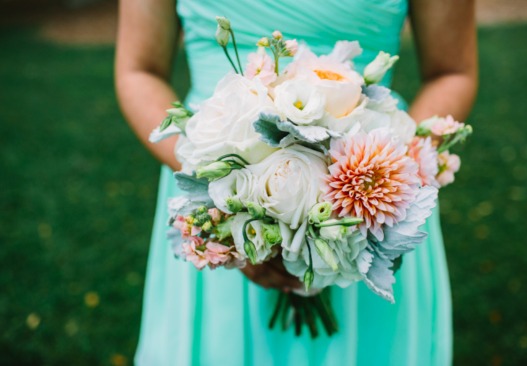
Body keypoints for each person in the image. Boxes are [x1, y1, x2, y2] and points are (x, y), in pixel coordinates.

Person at [115, 0, 478, 365]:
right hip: (213, 194)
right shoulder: (217, 191)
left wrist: (384, 176)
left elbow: (452, 71)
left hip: (372, 204)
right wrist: (228, 197)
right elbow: (138, 70)